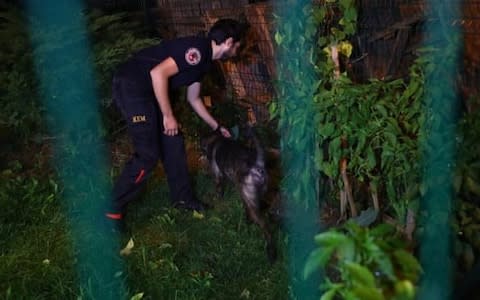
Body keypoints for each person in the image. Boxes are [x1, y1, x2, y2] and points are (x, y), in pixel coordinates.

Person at [105, 19, 247, 224]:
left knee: (173, 143)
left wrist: (217, 126)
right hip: (133, 87)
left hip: (150, 92)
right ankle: (112, 211)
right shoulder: (197, 51)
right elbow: (158, 73)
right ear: (229, 42)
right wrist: (168, 116)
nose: (237, 51)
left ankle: (183, 199)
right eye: (238, 47)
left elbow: (194, 98)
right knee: (147, 155)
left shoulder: (204, 61)